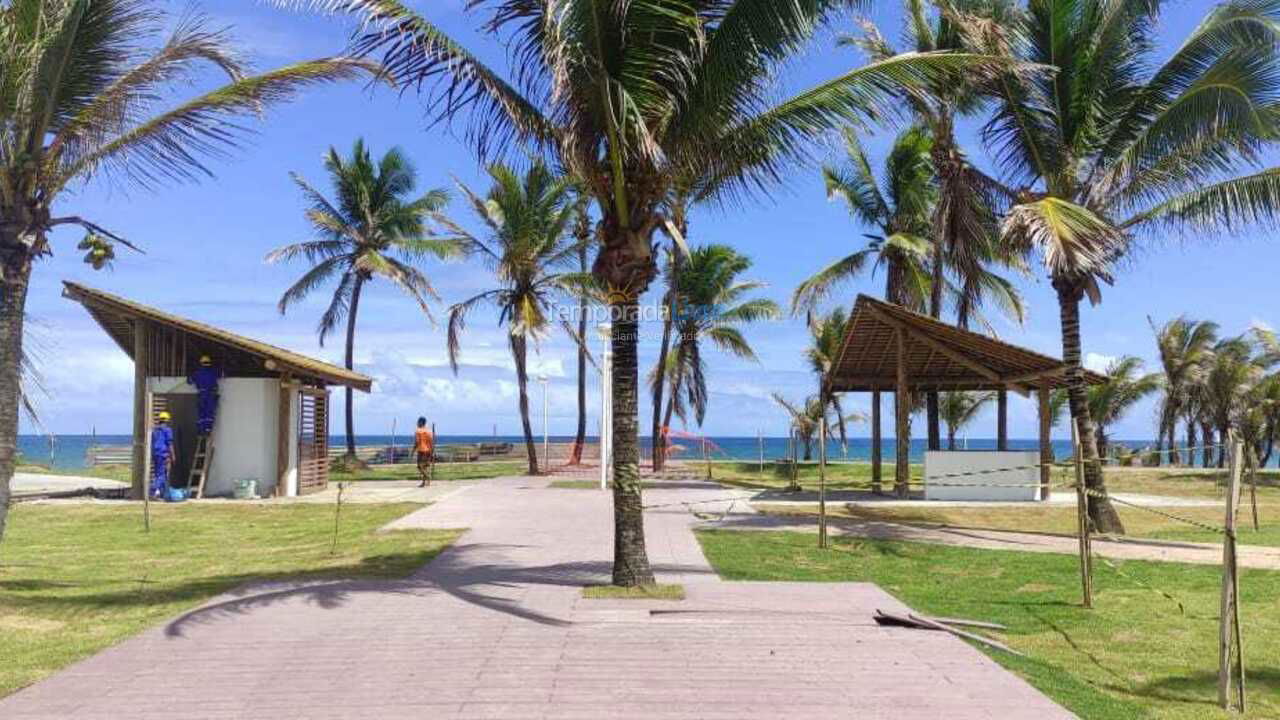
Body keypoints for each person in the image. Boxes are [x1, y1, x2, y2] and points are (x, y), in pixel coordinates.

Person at [187, 355, 222, 434]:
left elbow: (189, 381)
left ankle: (201, 429)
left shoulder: (197, 372)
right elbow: (222, 374)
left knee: (202, 412)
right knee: (209, 412)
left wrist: (190, 374)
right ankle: (208, 428)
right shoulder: (213, 371)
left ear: (201, 363)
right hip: (210, 394)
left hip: (202, 394)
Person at [151, 411, 175, 499]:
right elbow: (170, 444)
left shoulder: (155, 430)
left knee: (158, 474)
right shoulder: (167, 430)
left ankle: (161, 493)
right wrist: (173, 456)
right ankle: (153, 490)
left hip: (156, 454)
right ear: (166, 420)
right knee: (162, 475)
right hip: (163, 454)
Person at [414, 417, 434, 487]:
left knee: (420, 466)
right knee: (425, 467)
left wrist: (413, 450)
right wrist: (432, 451)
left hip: (421, 450)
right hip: (428, 450)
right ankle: (424, 482)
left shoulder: (418, 431)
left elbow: (417, 442)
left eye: (418, 422)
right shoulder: (429, 431)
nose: (417, 423)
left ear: (421, 422)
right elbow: (431, 442)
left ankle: (428, 477)